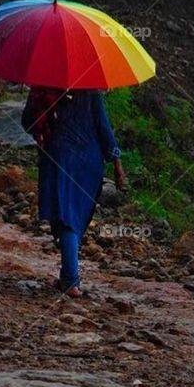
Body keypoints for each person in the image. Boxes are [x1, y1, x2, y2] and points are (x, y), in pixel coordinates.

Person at [22, 87, 127, 297]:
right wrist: (118, 166)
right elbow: (104, 128)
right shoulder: (90, 90)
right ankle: (68, 277)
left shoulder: (42, 88)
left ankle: (69, 279)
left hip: (58, 157)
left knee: (65, 216)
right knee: (75, 217)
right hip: (89, 162)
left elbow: (28, 123)